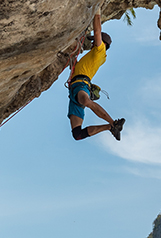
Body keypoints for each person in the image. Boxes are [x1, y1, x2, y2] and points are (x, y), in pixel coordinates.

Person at [68, 8, 124, 141]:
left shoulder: (100, 51)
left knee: (87, 101)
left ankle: (113, 123)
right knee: (77, 134)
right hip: (74, 89)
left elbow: (97, 30)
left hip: (81, 85)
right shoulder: (95, 55)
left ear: (102, 43)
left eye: (94, 41)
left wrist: (96, 10)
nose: (92, 43)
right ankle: (111, 127)